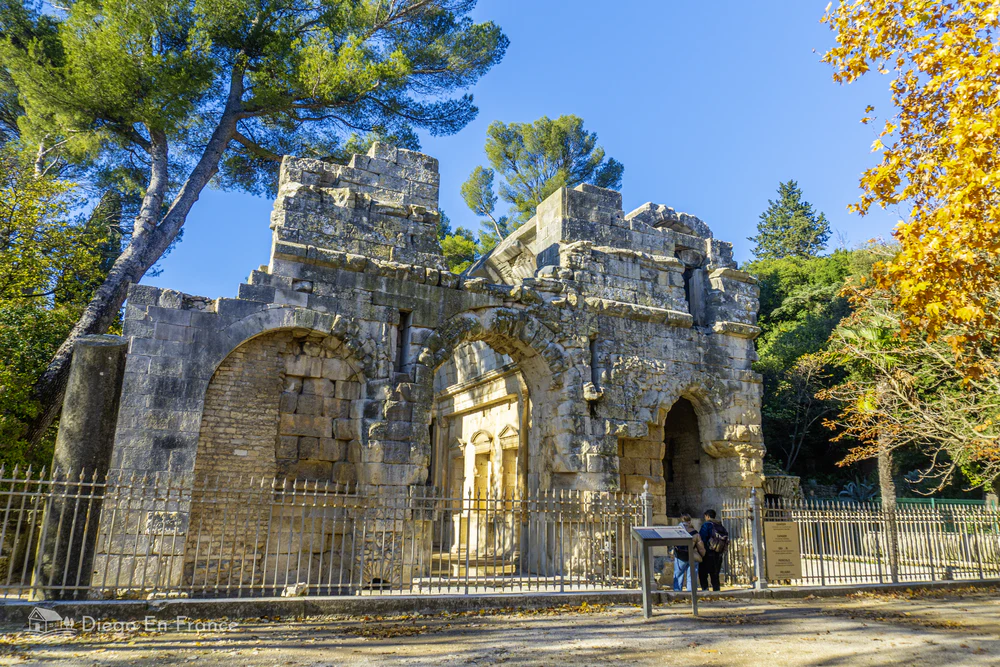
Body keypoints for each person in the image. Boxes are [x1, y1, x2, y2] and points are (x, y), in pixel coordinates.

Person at [672, 513, 705, 591]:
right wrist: (702, 555)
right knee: (692, 576)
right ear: (690, 521)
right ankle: (691, 594)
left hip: (680, 556)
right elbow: (701, 547)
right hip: (692, 555)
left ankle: (677, 593)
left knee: (678, 575)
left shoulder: (677, 531)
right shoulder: (695, 533)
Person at [698, 509, 729, 592]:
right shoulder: (720, 526)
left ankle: (705, 589)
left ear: (707, 516)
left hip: (708, 553)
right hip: (718, 553)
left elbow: (702, 538)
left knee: (703, 573)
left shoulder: (706, 525)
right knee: (715, 574)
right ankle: (716, 589)